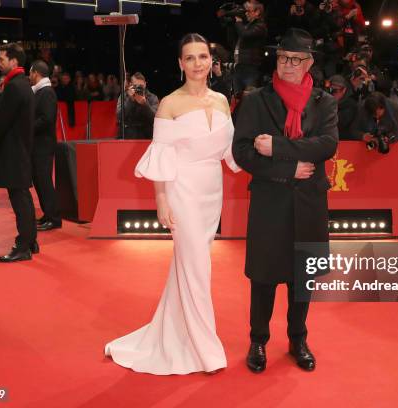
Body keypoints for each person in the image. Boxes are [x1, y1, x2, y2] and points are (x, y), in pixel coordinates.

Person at [104, 33, 240, 375]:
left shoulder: (222, 101)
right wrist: (161, 200)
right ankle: (204, 348)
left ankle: (175, 333)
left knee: (191, 266)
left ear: (212, 61)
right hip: (182, 191)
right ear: (180, 64)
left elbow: (231, 153)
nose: (198, 63)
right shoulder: (169, 103)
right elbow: (161, 158)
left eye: (203, 56)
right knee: (196, 268)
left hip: (212, 192)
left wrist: (273, 154)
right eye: (190, 58)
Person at [232, 28, 338, 373]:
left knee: (301, 278)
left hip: (310, 202)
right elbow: (243, 152)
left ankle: (298, 338)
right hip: (269, 200)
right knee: (263, 277)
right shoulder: (256, 100)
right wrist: (287, 168)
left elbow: (326, 145)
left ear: (309, 63)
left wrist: (277, 147)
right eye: (282, 58)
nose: (288, 65)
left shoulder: (324, 102)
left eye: (295, 59)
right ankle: (258, 341)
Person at [0, 43, 38, 262]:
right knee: (22, 197)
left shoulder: (15, 87)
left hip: (13, 151)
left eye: (1, 59)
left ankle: (23, 246)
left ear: (14, 61)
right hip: (20, 150)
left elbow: (1, 122)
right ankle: (30, 241)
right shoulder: (21, 84)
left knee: (19, 198)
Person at [29, 60, 62, 231]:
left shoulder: (46, 92)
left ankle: (54, 218)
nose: (29, 76)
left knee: (44, 181)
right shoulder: (39, 92)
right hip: (38, 144)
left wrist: (28, 127)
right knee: (39, 180)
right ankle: (48, 214)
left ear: (36, 73)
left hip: (44, 145)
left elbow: (47, 119)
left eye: (30, 73)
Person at [116, 72, 159, 139]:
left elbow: (155, 118)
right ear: (131, 85)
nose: (139, 88)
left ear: (145, 84)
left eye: (141, 86)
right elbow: (119, 116)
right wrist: (130, 100)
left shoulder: (152, 97)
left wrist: (145, 104)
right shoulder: (124, 96)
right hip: (128, 135)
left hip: (146, 135)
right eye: (136, 86)